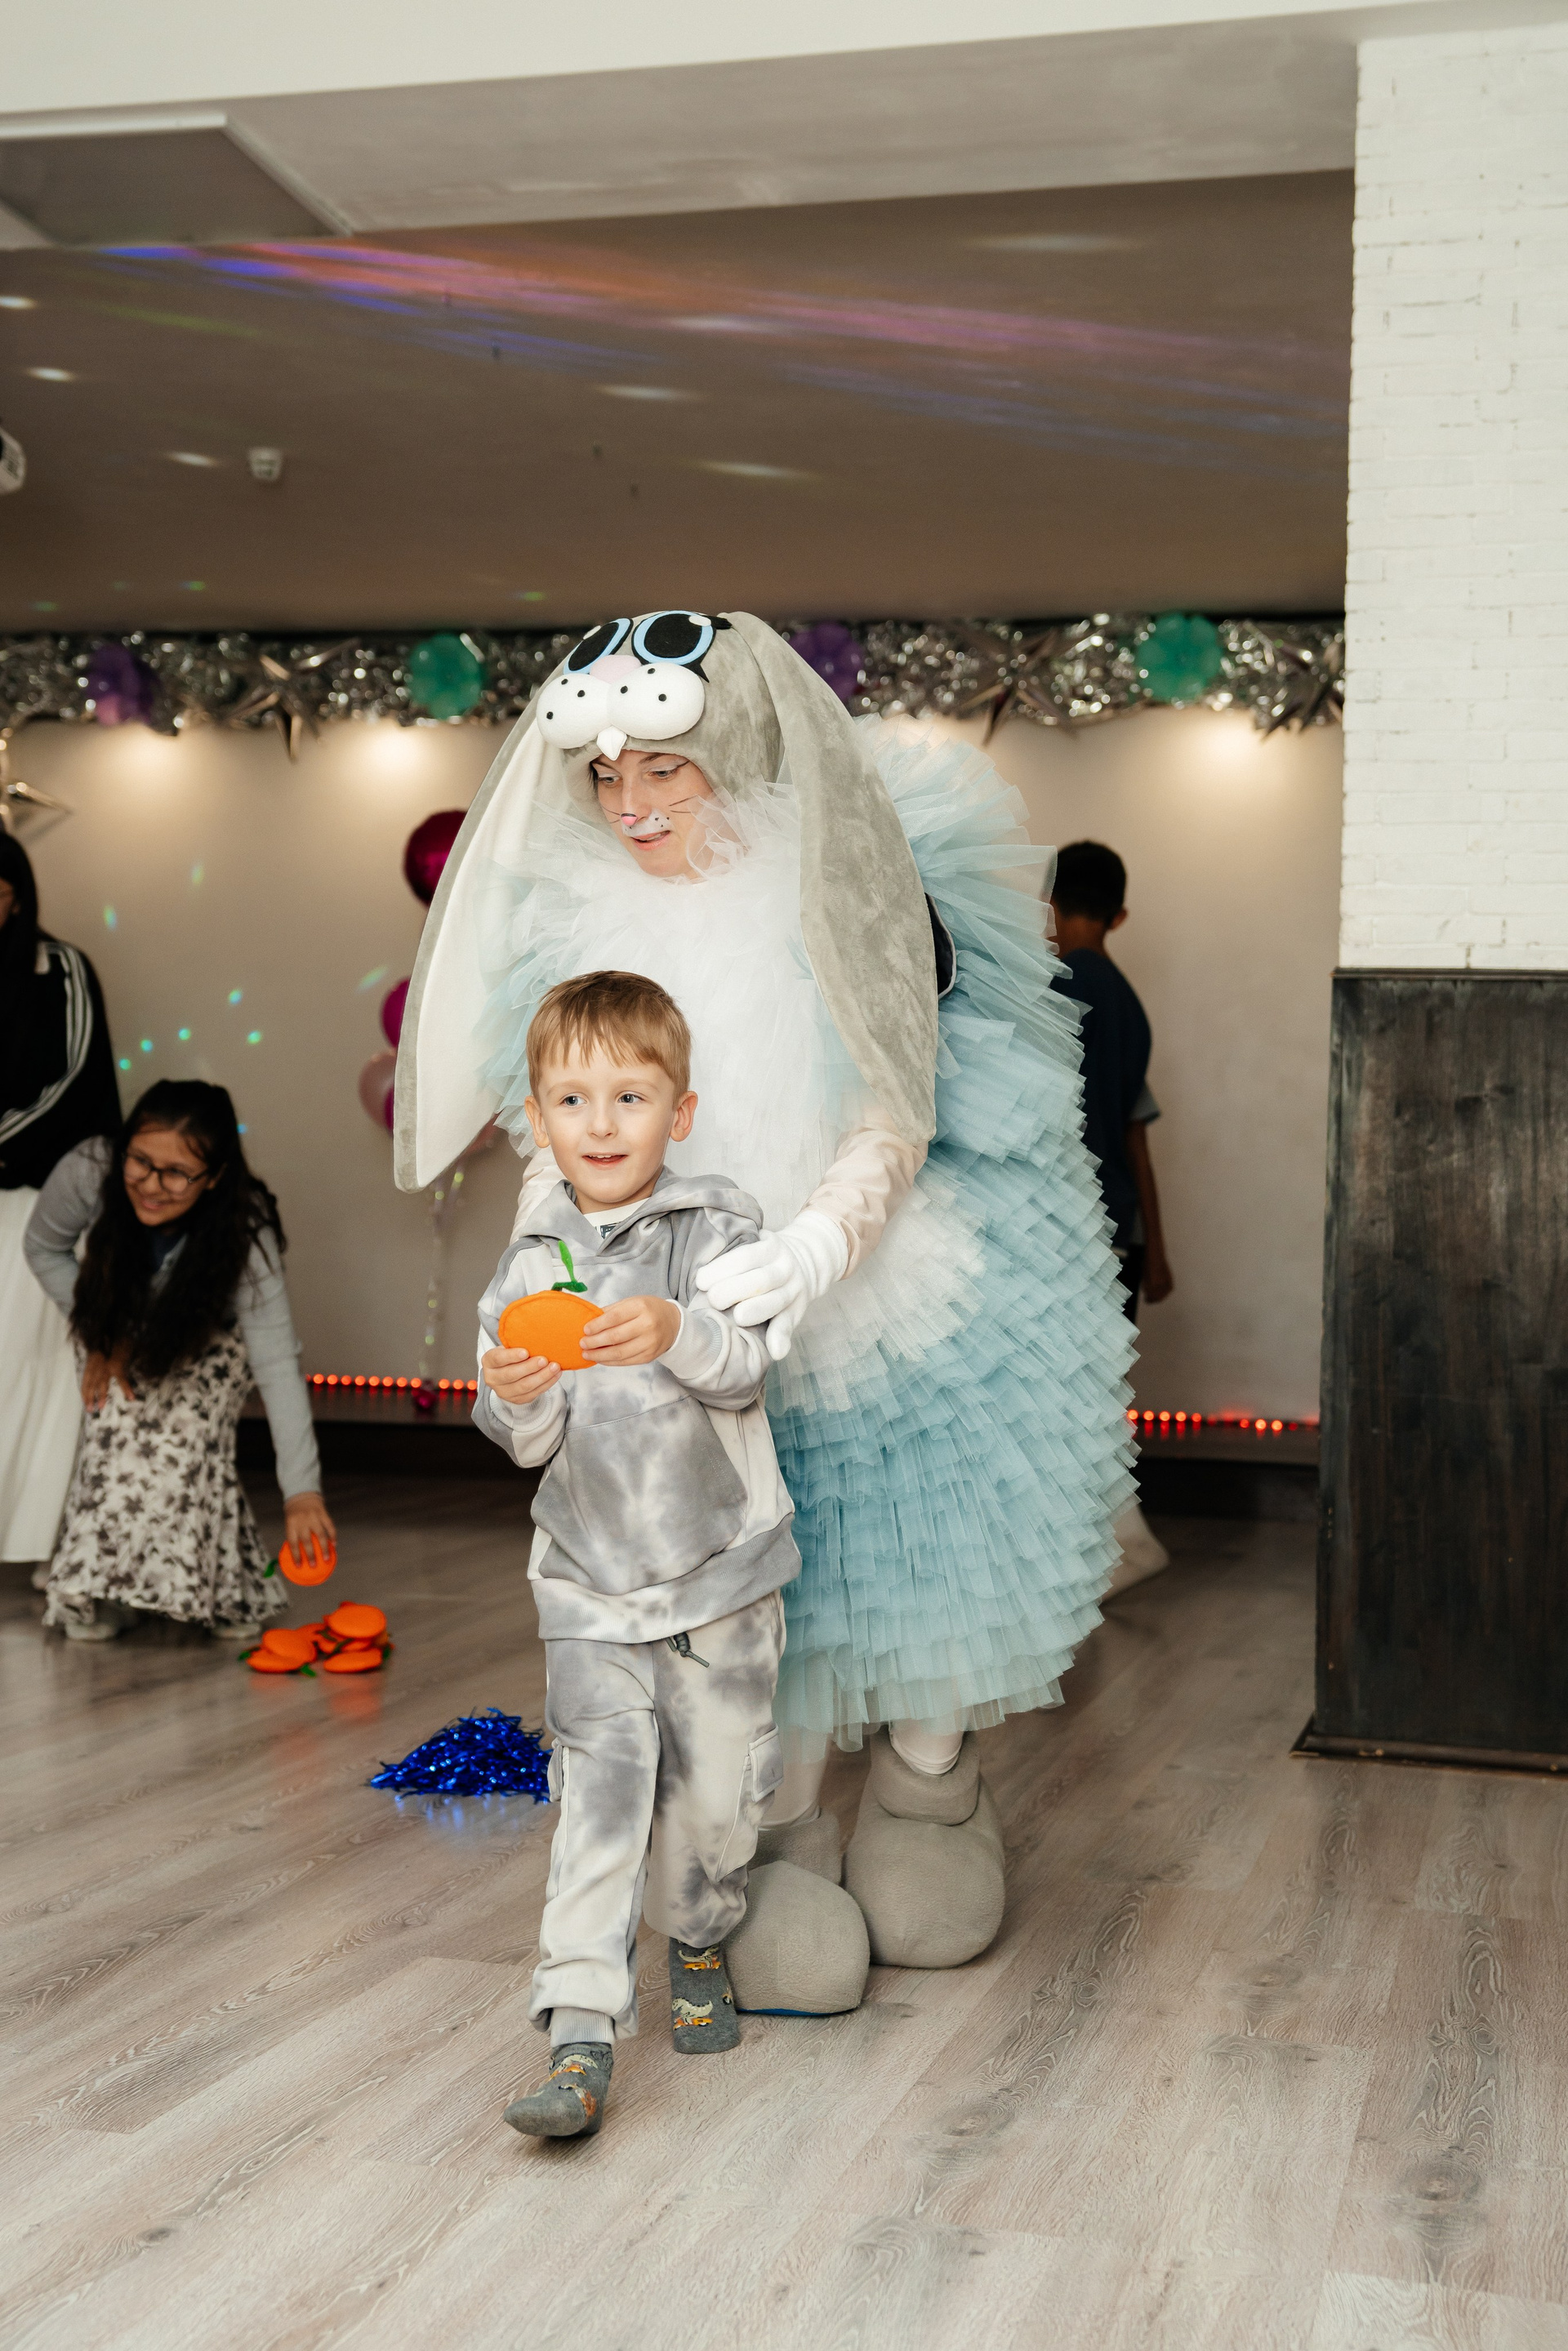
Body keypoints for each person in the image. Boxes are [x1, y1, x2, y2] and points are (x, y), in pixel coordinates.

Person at [398, 611, 1133, 1990]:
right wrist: (540, 1283)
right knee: (755, 1578)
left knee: (916, 1551)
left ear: (730, 753)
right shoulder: (581, 919)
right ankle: (778, 1836)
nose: (630, 802)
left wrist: (810, 1248)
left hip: (882, 1285)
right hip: (691, 1309)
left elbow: (894, 1103)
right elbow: (566, 1129)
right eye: (607, 775)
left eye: (662, 768)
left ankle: (929, 1787)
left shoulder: (842, 883)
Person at [476, 971, 847, 2139]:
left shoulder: (715, 1227)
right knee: (596, 1798)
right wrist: (513, 1388)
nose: (600, 1123)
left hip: (718, 1576)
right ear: (539, 1118)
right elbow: (524, 1439)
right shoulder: (529, 1260)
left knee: (714, 1799)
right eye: (572, 1099)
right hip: (589, 1583)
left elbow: (745, 1365)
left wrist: (678, 1328)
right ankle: (579, 2029)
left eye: (629, 1097)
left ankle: (696, 1935)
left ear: (678, 1112)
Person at [24, 1079, 333, 1641]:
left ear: (213, 1177)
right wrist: (103, 1333)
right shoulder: (90, 1169)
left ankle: (216, 1587)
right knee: (118, 1423)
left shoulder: (246, 1229)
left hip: (210, 1342)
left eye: (177, 1173)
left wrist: (302, 1492)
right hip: (111, 1322)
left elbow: (276, 1363)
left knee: (182, 1443)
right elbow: (43, 1246)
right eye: (140, 1161)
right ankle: (106, 1588)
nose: (151, 1184)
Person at [1049, 839, 1174, 1590]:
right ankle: (1113, 1543)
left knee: (1068, 1393)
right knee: (1099, 1390)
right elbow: (1135, 1135)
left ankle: (1113, 1547)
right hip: (1118, 1224)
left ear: (1048, 902)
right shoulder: (1131, 1005)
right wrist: (1157, 1245)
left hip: (1070, 1225)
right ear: (1119, 915)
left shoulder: (1056, 986)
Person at [0, 829, 121, 1578]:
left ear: (15, 894)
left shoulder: (61, 968)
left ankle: (48, 1544)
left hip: (41, 1203)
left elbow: (75, 1080)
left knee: (37, 1365)